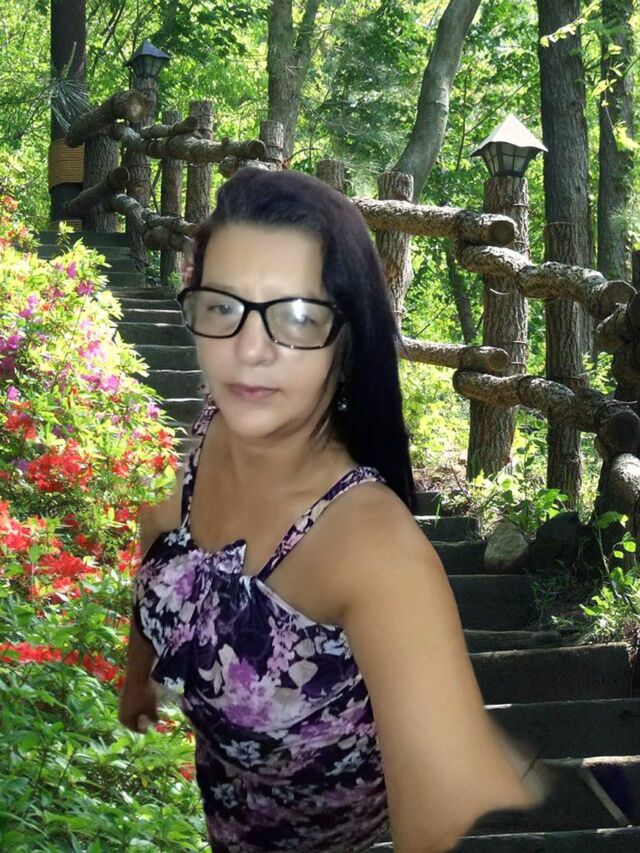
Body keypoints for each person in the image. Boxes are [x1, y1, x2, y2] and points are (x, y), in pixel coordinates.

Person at [118, 167, 548, 853]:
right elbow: (161, 530)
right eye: (223, 306)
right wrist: (136, 677)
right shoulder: (217, 426)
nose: (247, 351)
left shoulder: (378, 554)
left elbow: (433, 828)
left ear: (348, 339)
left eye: (295, 316)